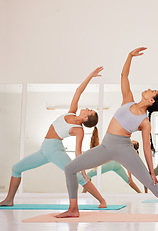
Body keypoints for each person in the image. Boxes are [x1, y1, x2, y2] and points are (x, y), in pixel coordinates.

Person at [56, 47, 158, 218]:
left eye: (152, 91)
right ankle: (73, 209)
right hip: (105, 146)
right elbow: (124, 76)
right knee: (69, 169)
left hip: (123, 149)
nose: (149, 89)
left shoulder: (144, 122)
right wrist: (130, 56)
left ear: (151, 100)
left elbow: (147, 149)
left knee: (150, 182)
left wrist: (152, 171)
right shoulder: (128, 100)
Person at [0, 67, 106, 208]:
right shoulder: (72, 113)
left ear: (86, 117)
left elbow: (78, 152)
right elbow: (78, 91)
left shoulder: (78, 130)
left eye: (89, 110)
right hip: (44, 149)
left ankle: (102, 201)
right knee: (16, 168)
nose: (87, 108)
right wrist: (90, 76)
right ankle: (9, 199)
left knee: (79, 177)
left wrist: (83, 170)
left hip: (55, 151)